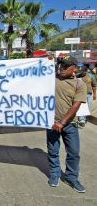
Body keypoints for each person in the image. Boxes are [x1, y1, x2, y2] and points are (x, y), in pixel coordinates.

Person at [47, 56, 87, 193]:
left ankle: (71, 177)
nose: (61, 68)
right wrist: (45, 62)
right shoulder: (51, 79)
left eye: (66, 66)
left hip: (70, 125)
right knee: (53, 151)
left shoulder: (79, 84)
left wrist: (62, 122)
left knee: (74, 153)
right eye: (60, 65)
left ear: (74, 68)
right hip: (51, 124)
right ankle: (54, 174)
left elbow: (75, 106)